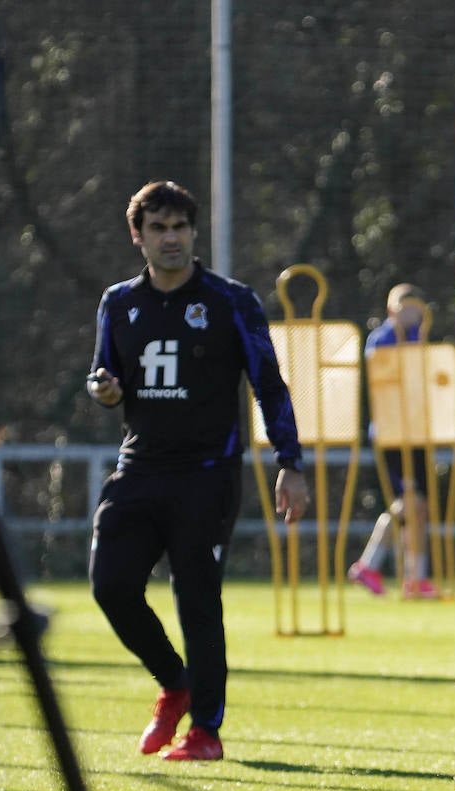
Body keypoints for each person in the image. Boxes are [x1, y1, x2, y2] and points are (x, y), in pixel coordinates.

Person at [87, 180, 309, 761]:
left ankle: (206, 730)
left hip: (207, 476)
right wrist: (105, 391)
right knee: (110, 585)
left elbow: (268, 384)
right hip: (138, 469)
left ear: (193, 232)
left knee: (197, 599)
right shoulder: (118, 303)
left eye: (180, 227)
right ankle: (174, 682)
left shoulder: (230, 300)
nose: (171, 238)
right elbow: (104, 376)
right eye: (158, 228)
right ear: (137, 236)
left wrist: (290, 462)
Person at [348, 282, 439, 599]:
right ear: (391, 310)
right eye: (405, 307)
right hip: (393, 433)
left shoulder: (418, 337)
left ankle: (411, 576)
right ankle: (376, 566)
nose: (411, 313)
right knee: (411, 503)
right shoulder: (382, 338)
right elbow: (381, 377)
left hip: (415, 431)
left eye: (415, 307)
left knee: (418, 507)